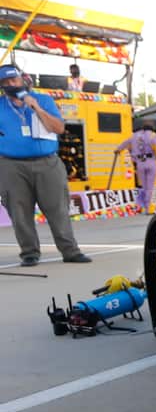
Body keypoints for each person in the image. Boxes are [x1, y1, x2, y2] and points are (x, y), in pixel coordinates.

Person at [0, 65, 92, 266]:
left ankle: (70, 251)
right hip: (11, 165)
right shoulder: (1, 106)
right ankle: (29, 252)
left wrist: (36, 108)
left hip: (47, 162)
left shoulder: (43, 100)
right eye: (5, 83)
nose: (10, 85)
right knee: (19, 210)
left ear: (22, 79)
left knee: (57, 208)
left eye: (13, 80)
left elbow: (58, 128)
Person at [116, 119, 156, 214]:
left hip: (140, 163)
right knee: (154, 186)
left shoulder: (134, 136)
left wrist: (118, 150)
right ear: (152, 128)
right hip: (152, 162)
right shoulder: (154, 136)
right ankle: (152, 208)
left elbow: (125, 144)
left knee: (145, 186)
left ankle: (146, 207)